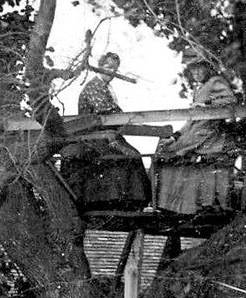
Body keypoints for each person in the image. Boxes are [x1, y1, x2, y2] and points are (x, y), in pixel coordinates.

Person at [59, 52, 151, 211]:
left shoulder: (106, 87)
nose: (112, 72)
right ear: (99, 67)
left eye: (115, 69)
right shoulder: (95, 86)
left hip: (108, 135)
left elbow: (115, 113)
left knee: (133, 155)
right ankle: (114, 200)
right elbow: (107, 111)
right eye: (108, 67)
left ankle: (130, 201)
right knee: (126, 156)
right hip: (95, 136)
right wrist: (127, 118)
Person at [154, 50, 240, 215]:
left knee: (172, 155)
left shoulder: (216, 82)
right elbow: (191, 120)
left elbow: (231, 100)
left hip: (209, 133)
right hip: (197, 131)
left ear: (207, 68)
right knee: (167, 150)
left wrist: (207, 105)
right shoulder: (199, 89)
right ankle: (173, 205)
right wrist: (175, 136)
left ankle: (181, 205)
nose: (197, 73)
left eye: (200, 68)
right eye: (193, 70)